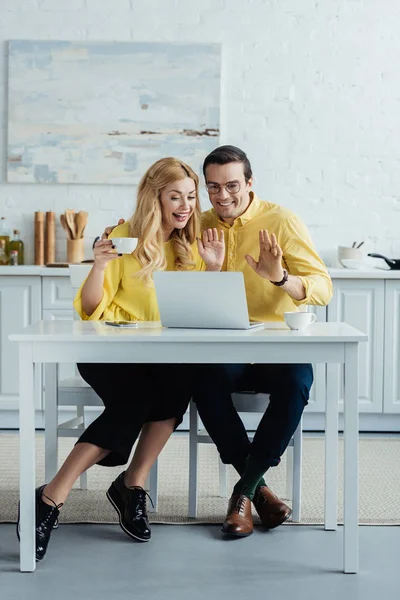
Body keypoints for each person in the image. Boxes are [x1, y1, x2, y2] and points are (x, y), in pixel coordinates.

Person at [105, 145, 333, 538]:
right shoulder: (195, 222)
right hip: (223, 351)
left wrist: (280, 278)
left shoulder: (282, 221)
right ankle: (258, 492)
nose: (222, 196)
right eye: (212, 188)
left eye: (231, 186)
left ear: (250, 183)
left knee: (297, 382)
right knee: (201, 381)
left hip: (275, 348)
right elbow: (164, 262)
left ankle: (244, 493)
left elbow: (322, 288)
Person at [18, 157, 225, 562]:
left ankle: (131, 484)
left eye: (190, 196)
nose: (185, 205)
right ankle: (53, 496)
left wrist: (214, 270)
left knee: (177, 386)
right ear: (155, 198)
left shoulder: (192, 243)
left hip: (160, 357)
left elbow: (202, 313)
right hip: (107, 351)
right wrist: (98, 265)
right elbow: (90, 309)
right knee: (136, 401)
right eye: (174, 197)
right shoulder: (122, 237)